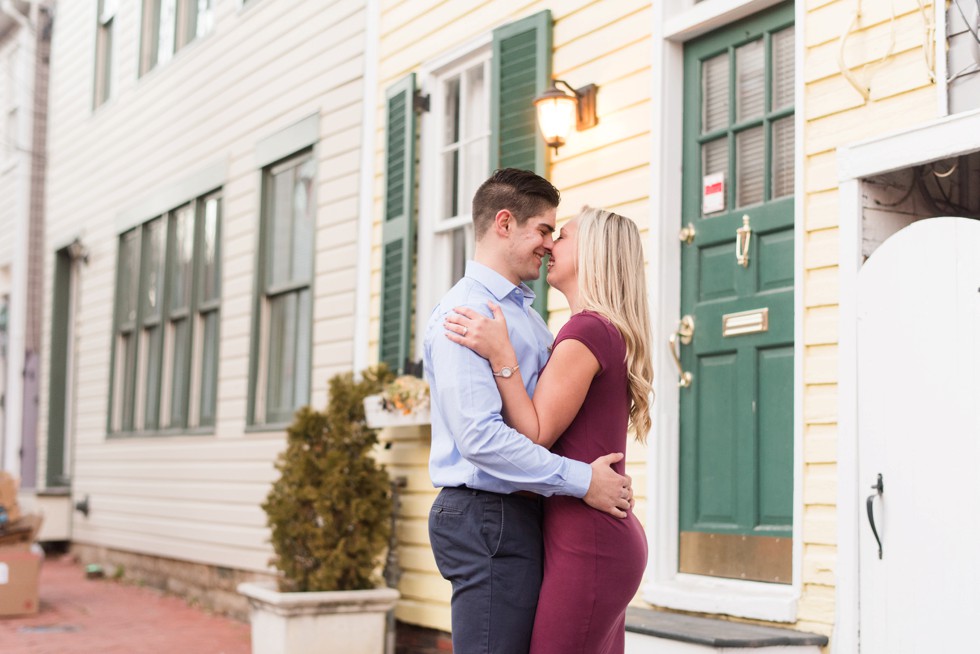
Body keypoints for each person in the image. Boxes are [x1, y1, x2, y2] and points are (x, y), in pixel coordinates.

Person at [424, 170, 634, 654]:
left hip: (526, 514)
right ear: (504, 223)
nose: (548, 243)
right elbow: (481, 440)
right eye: (543, 229)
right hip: (487, 515)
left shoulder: (528, 317)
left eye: (557, 234)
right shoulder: (466, 314)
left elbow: (555, 419)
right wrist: (584, 480)